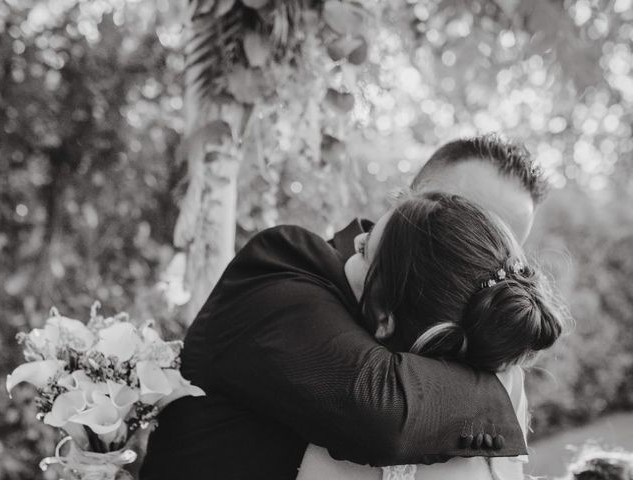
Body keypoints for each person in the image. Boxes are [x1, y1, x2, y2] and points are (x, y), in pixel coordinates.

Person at [139, 134, 550, 479]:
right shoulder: (289, 264)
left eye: (495, 246)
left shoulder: (466, 355)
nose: (475, 249)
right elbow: (379, 409)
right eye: (463, 221)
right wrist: (500, 387)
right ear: (415, 196)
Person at [296, 192, 567, 479]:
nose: (355, 240)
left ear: (385, 318)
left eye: (365, 253)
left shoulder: (346, 446)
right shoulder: (506, 399)